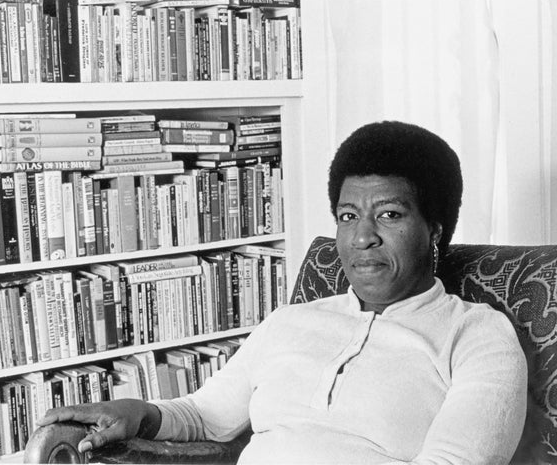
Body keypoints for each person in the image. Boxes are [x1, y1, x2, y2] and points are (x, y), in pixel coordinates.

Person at [38, 121, 528, 464]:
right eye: (348, 216)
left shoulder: (477, 335)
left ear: (435, 229)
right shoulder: (291, 321)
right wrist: (138, 413)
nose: (362, 237)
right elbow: (204, 417)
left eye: (390, 214)